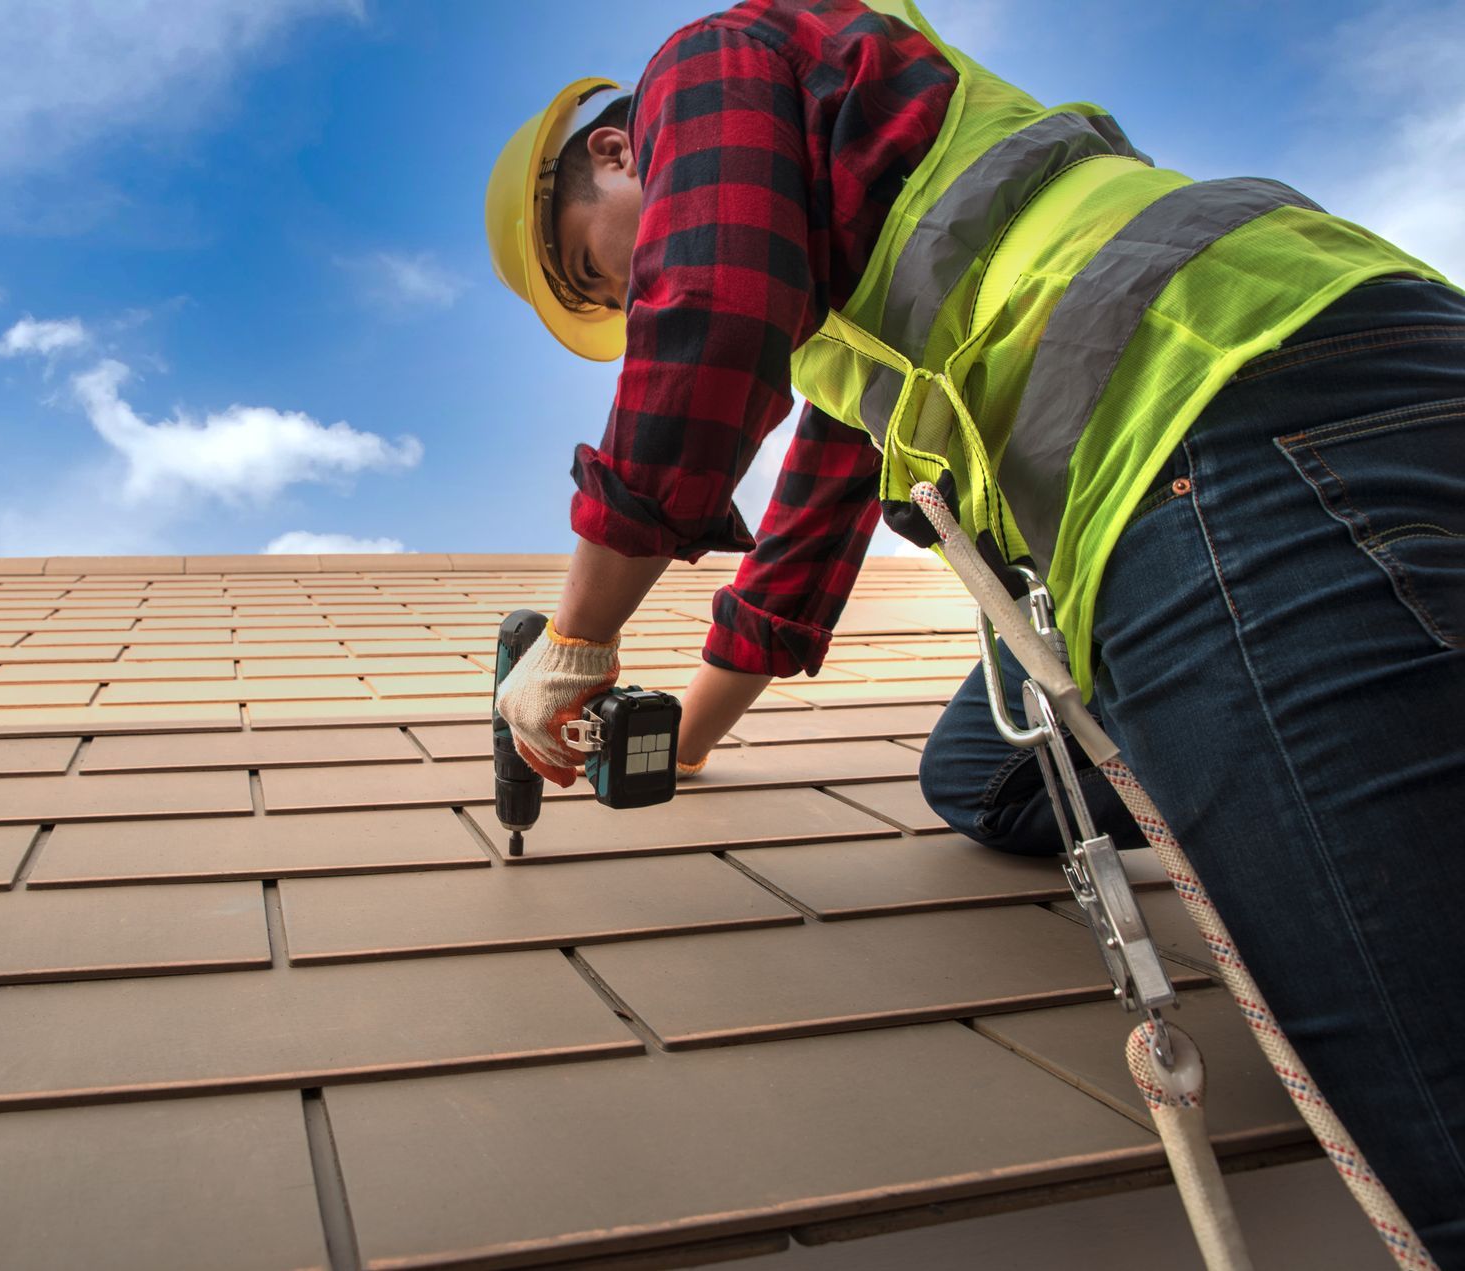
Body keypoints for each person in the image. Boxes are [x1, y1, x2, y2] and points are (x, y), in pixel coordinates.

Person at [484, 1, 1465, 1263]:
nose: (622, 295)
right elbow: (802, 550)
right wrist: (687, 742)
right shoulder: (866, 297)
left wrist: (576, 640)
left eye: (595, 268)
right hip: (1342, 369)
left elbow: (713, 309)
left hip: (1212, 424)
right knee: (982, 777)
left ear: (617, 156)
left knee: (1420, 1096)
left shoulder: (706, 58)